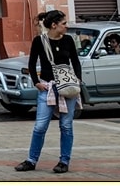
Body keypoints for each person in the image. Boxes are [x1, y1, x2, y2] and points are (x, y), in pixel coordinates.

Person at [14, 9, 82, 174]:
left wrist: (77, 82)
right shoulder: (39, 41)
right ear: (54, 25)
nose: (67, 26)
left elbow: (76, 62)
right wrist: (36, 83)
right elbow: (31, 63)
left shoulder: (69, 40)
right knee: (40, 126)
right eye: (64, 23)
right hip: (47, 87)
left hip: (67, 88)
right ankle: (31, 160)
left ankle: (64, 161)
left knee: (66, 126)